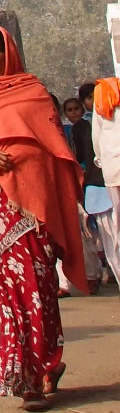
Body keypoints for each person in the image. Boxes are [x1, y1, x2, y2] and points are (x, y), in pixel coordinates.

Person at [0, 23, 86, 410]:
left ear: (6, 54)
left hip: (33, 204)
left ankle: (47, 364)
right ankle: (29, 378)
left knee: (39, 288)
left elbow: (55, 148)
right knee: (12, 294)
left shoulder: (34, 93)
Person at [90, 77, 120, 288]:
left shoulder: (102, 94)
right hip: (111, 168)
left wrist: (101, 160)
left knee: (116, 228)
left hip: (112, 169)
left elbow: (96, 137)